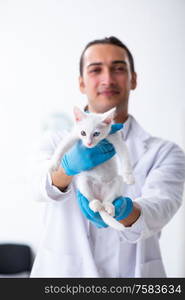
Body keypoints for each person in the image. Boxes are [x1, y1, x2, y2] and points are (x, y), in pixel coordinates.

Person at [30, 36, 185, 278]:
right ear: (81, 83)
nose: (107, 79)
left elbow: (161, 207)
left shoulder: (165, 152)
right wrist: (67, 168)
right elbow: (37, 188)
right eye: (95, 70)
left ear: (133, 79)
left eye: (119, 69)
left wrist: (124, 211)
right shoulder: (54, 140)